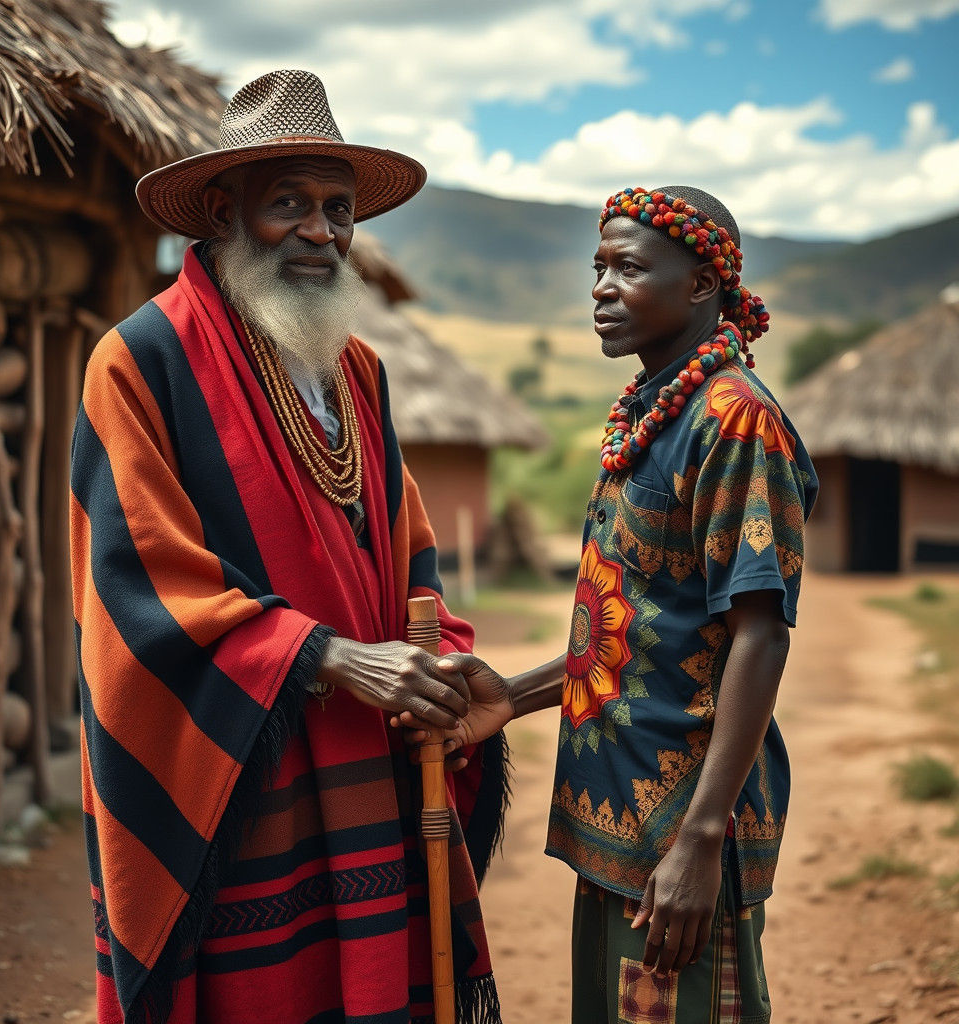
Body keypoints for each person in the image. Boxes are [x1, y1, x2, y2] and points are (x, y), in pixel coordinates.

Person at [71, 69, 507, 1024]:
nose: (321, 231)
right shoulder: (139, 362)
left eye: (339, 208)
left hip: (368, 758)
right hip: (234, 779)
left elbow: (407, 547)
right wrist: (334, 658)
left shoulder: (358, 370)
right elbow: (139, 584)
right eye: (289, 205)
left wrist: (441, 665)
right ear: (221, 212)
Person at [401, 185, 818, 1023]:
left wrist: (701, 840)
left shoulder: (733, 421)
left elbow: (759, 634)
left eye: (629, 267)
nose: (601, 286)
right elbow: (637, 621)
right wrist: (511, 699)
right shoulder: (653, 411)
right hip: (619, 823)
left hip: (684, 825)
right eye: (597, 266)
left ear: (702, 285)